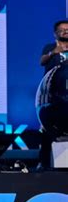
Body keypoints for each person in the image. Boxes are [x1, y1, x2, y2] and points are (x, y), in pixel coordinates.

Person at [39, 20, 68, 167]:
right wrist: (53, 52)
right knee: (48, 131)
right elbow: (42, 61)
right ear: (55, 33)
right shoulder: (50, 47)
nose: (66, 31)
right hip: (54, 97)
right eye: (62, 29)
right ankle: (44, 163)